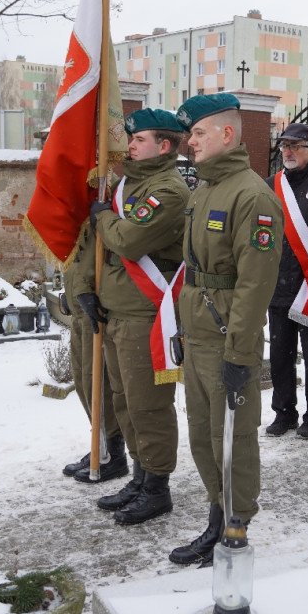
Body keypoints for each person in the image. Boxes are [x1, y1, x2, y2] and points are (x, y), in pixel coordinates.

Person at [169, 93, 283, 565]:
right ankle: (217, 513)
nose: (189, 143)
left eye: (197, 133)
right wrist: (181, 327)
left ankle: (234, 524)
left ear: (227, 134)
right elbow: (194, 270)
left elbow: (254, 286)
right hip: (198, 334)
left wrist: (240, 353)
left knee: (231, 435)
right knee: (201, 433)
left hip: (225, 340)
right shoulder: (205, 188)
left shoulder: (251, 196)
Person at [80, 108, 190, 525]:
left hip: (148, 315)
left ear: (163, 146)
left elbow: (127, 241)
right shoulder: (130, 184)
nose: (130, 145)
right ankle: (141, 476)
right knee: (124, 402)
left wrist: (105, 216)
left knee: (149, 405)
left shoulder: (168, 191)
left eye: (139, 139)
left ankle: (158, 488)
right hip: (119, 311)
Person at [264, 123, 308, 439]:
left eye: (295, 146)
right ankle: (284, 412)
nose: (288, 152)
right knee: (280, 354)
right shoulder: (270, 185)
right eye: (284, 146)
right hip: (277, 283)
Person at [60, 226, 127, 484]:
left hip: (96, 304)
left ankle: (113, 451)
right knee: (82, 381)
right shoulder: (82, 211)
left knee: (97, 381)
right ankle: (99, 442)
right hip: (78, 305)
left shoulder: (104, 202)